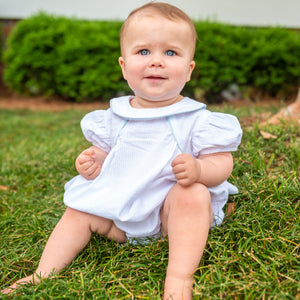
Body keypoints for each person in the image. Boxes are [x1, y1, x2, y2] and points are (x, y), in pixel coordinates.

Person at [1, 2, 242, 299]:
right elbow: (105, 151)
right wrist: (92, 161)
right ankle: (43, 272)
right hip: (124, 216)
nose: (157, 61)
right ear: (124, 67)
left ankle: (179, 279)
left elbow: (222, 163)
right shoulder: (115, 115)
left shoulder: (197, 119)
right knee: (79, 210)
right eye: (143, 52)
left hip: (171, 218)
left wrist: (200, 169)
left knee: (192, 193)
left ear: (189, 69)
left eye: (171, 53)